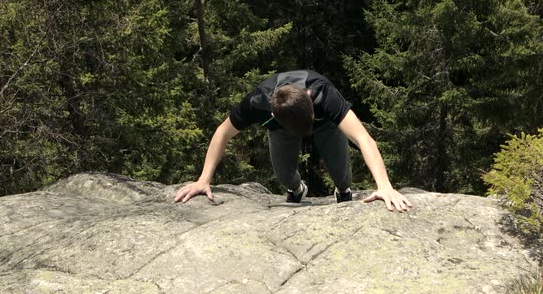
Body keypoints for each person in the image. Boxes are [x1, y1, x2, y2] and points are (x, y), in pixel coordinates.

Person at [174, 70, 412, 212]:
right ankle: (297, 189)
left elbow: (363, 138)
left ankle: (343, 191)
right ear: (272, 113)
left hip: (324, 124)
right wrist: (203, 180)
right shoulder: (257, 103)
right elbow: (222, 132)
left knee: (342, 175)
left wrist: (384, 186)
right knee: (284, 175)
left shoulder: (323, 95)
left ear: (310, 99)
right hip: (282, 128)